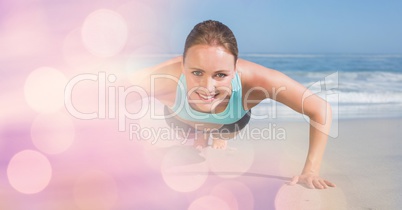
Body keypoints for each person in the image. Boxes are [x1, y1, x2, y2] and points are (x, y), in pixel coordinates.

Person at [130, 20, 336, 189]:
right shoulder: (161, 79)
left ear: (236, 68)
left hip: (229, 123)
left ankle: (217, 135)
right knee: (191, 135)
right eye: (197, 72)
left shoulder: (256, 81)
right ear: (183, 66)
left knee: (224, 132)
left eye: (220, 74)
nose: (207, 87)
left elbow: (320, 109)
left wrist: (310, 170)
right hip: (180, 120)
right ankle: (199, 136)